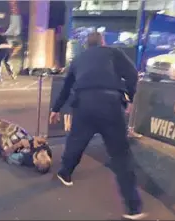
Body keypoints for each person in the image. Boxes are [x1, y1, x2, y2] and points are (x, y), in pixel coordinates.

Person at [49, 32, 146, 220]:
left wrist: (56, 109)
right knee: (120, 154)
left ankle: (65, 173)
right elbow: (133, 74)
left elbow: (67, 86)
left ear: (86, 45)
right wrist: (129, 96)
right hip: (110, 102)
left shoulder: (78, 58)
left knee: (76, 141)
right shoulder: (112, 52)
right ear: (103, 42)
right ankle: (133, 207)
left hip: (84, 102)